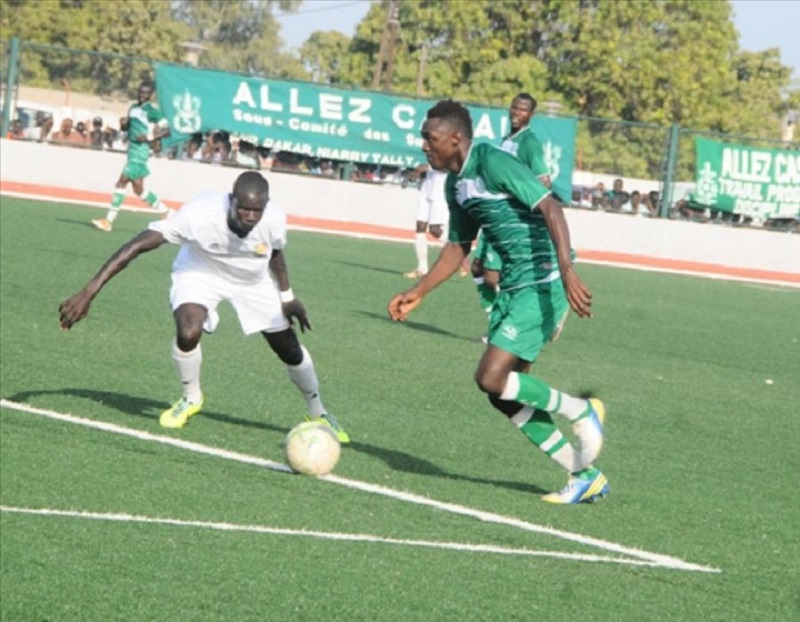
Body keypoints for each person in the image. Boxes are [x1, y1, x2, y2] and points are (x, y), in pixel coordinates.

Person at [388, 100, 607, 504]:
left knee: (490, 377)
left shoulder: (491, 161)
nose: (424, 146)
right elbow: (458, 245)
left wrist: (568, 269)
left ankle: (580, 410)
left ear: (456, 139)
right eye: (423, 138)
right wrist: (419, 290)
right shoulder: (456, 183)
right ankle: (583, 474)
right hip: (513, 286)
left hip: (543, 279)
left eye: (430, 138)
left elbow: (550, 206)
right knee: (504, 394)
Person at [60, 171, 350, 443]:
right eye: (243, 209)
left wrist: (287, 297)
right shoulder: (199, 215)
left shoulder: (273, 219)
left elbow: (275, 251)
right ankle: (190, 397)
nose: (250, 217)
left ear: (266, 206)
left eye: (256, 211)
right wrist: (89, 291)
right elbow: (137, 245)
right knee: (188, 331)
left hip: (252, 281)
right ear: (231, 199)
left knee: (289, 349)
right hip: (200, 271)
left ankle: (319, 412)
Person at [472, 93, 555, 332]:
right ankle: (495, 322)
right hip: (494, 214)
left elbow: (544, 181)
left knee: (494, 277)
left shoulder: (529, 142)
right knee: (478, 268)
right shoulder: (508, 139)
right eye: (515, 108)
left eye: (523, 110)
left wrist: (522, 202)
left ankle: (509, 327)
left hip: (510, 218)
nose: (517, 113)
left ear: (531, 115)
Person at [91, 80, 171, 233]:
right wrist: (124, 124)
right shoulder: (133, 108)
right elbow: (127, 128)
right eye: (140, 92)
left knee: (121, 182)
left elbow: (167, 131)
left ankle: (108, 221)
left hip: (141, 151)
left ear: (150, 95)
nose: (142, 95)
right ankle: (166, 211)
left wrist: (149, 137)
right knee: (139, 190)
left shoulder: (153, 111)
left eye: (145, 93)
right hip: (132, 149)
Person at [404, 164, 470, 278]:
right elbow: (427, 165)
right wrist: (417, 173)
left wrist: (428, 167)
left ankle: (460, 253)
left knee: (435, 230)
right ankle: (422, 269)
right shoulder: (430, 148)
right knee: (420, 226)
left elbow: (450, 167)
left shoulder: (450, 148)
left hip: (441, 190)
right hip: (427, 186)